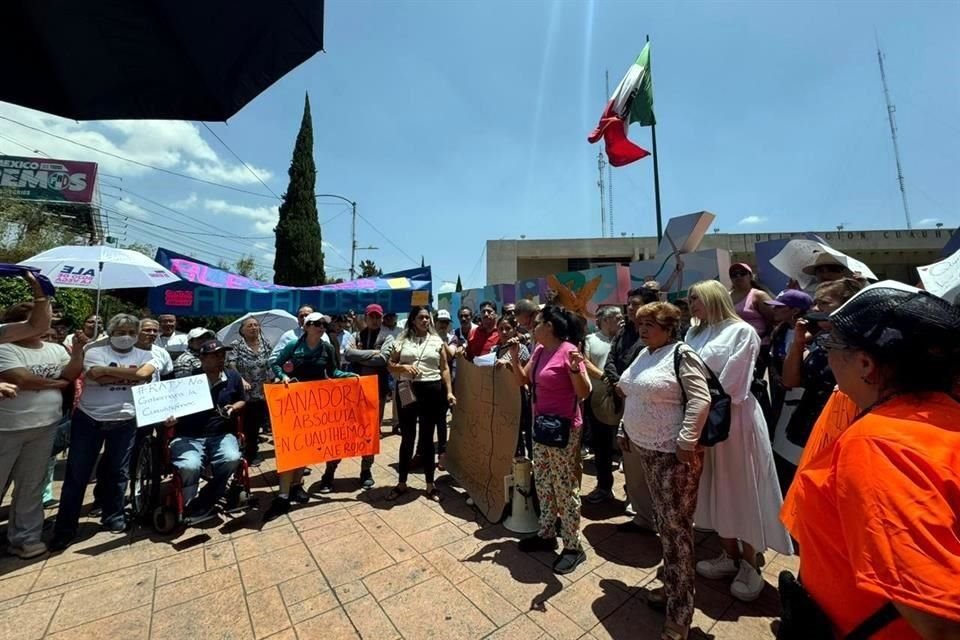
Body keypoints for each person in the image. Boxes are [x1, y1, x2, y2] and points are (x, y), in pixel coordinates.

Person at [782, 282, 960, 639]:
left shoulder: (880, 444)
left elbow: (938, 620)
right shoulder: (941, 417)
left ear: (865, 363)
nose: (826, 354)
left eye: (832, 344)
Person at [683, 281, 793, 601]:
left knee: (743, 488)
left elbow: (734, 385)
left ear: (713, 297)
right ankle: (728, 556)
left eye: (695, 297)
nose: (691, 303)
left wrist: (695, 400)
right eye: (690, 299)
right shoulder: (692, 333)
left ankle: (750, 563)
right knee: (716, 488)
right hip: (704, 421)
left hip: (735, 422)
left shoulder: (742, 332)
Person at [617, 302, 712, 640]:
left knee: (676, 534)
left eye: (651, 324)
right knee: (666, 528)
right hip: (646, 450)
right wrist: (624, 429)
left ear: (670, 326)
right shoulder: (645, 354)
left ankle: (680, 613)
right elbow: (631, 392)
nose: (643, 330)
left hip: (673, 457)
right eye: (640, 323)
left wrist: (686, 441)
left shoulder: (681, 354)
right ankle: (671, 589)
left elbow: (701, 400)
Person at [50, 314, 159, 550]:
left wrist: (109, 373)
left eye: (131, 331)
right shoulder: (94, 350)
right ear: (110, 332)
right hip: (89, 419)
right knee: (77, 475)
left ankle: (114, 516)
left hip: (125, 420)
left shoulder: (146, 354)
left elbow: (144, 375)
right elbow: (93, 375)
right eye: (120, 332)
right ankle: (65, 528)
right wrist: (128, 374)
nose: (126, 336)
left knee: (118, 472)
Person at [508, 305, 591, 575]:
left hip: (564, 430)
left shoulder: (568, 351)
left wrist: (577, 369)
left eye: (538, 322)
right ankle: (546, 533)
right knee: (543, 481)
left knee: (564, 486)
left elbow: (584, 392)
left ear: (550, 327)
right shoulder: (540, 350)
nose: (533, 326)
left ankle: (573, 546)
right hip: (541, 428)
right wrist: (513, 356)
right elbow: (523, 380)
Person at [0, 303, 85, 558]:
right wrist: (56, 383)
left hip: (45, 426)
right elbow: (21, 379)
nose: (44, 323)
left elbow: (70, 372)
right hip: (7, 428)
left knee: (31, 485)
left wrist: (78, 352)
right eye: (35, 319)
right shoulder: (5, 348)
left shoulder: (54, 349)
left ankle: (24, 537)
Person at [264, 312, 357, 522]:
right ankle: (282, 495)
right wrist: (283, 376)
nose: (321, 326)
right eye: (316, 323)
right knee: (290, 449)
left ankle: (296, 486)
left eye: (324, 323)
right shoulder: (294, 346)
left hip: (313, 406)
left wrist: (350, 377)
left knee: (304, 449)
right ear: (306, 326)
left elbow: (333, 372)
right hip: (293, 402)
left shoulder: (328, 348)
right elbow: (276, 364)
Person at [777, 279, 862, 493]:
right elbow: (790, 381)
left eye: (823, 303)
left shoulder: (862, 342)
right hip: (812, 429)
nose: (815, 309)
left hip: (847, 431)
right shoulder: (818, 338)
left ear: (847, 304)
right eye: (815, 303)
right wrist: (798, 344)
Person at [164, 340, 244, 523]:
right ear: (202, 358)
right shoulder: (188, 380)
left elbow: (242, 399)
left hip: (221, 433)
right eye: (215, 355)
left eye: (222, 355)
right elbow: (169, 408)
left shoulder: (232, 376)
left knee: (232, 458)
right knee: (189, 466)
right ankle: (189, 501)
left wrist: (234, 407)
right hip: (189, 435)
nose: (220, 359)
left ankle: (206, 496)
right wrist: (169, 420)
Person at [385, 306, 456, 502]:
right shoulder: (401, 340)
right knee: (407, 437)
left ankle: (430, 485)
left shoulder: (437, 341)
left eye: (427, 318)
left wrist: (449, 391)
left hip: (432, 390)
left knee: (426, 438)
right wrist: (402, 367)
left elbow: (444, 369)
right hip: (407, 388)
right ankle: (401, 483)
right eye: (421, 317)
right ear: (413, 320)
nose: (425, 321)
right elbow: (389, 364)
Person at [604, 287, 657, 532]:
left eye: (635, 303)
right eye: (629, 303)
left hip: (646, 404)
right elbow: (611, 359)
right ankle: (640, 514)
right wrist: (617, 383)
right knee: (630, 458)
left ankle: (656, 516)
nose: (630, 308)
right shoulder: (623, 332)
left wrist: (628, 385)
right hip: (622, 399)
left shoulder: (658, 336)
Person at [339, 304, 393, 488]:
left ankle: (366, 469)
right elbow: (347, 353)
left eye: (378, 316)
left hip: (377, 391)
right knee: (345, 431)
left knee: (370, 433)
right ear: (366, 317)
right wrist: (371, 353)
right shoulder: (355, 336)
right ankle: (331, 470)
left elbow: (383, 359)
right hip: (354, 389)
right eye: (372, 316)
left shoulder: (388, 336)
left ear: (382, 317)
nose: (375, 320)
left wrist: (359, 355)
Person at [582, 305, 623, 504]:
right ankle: (604, 486)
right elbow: (586, 363)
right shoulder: (591, 340)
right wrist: (607, 379)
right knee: (602, 446)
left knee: (627, 447)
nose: (621, 320)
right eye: (617, 317)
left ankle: (632, 493)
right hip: (598, 400)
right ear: (606, 320)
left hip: (624, 398)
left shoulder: (625, 340)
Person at [763, 289, 813, 429]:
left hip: (803, 396)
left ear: (795, 310)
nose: (774, 309)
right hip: (780, 392)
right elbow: (772, 357)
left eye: (779, 306)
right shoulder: (780, 330)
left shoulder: (813, 334)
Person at [226, 316, 273, 465]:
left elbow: (271, 362)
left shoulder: (266, 344)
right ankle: (250, 453)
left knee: (262, 422)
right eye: (249, 326)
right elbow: (230, 364)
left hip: (264, 390)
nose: (253, 328)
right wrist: (241, 379)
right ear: (242, 331)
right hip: (246, 392)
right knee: (249, 426)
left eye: (256, 325)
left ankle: (254, 450)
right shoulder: (236, 345)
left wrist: (273, 378)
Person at [494, 315, 533, 458]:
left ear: (514, 330)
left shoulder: (521, 349)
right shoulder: (496, 350)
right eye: (501, 329)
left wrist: (509, 365)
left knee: (526, 434)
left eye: (507, 328)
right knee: (512, 438)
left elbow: (524, 375)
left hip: (519, 397)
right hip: (504, 398)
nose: (504, 332)